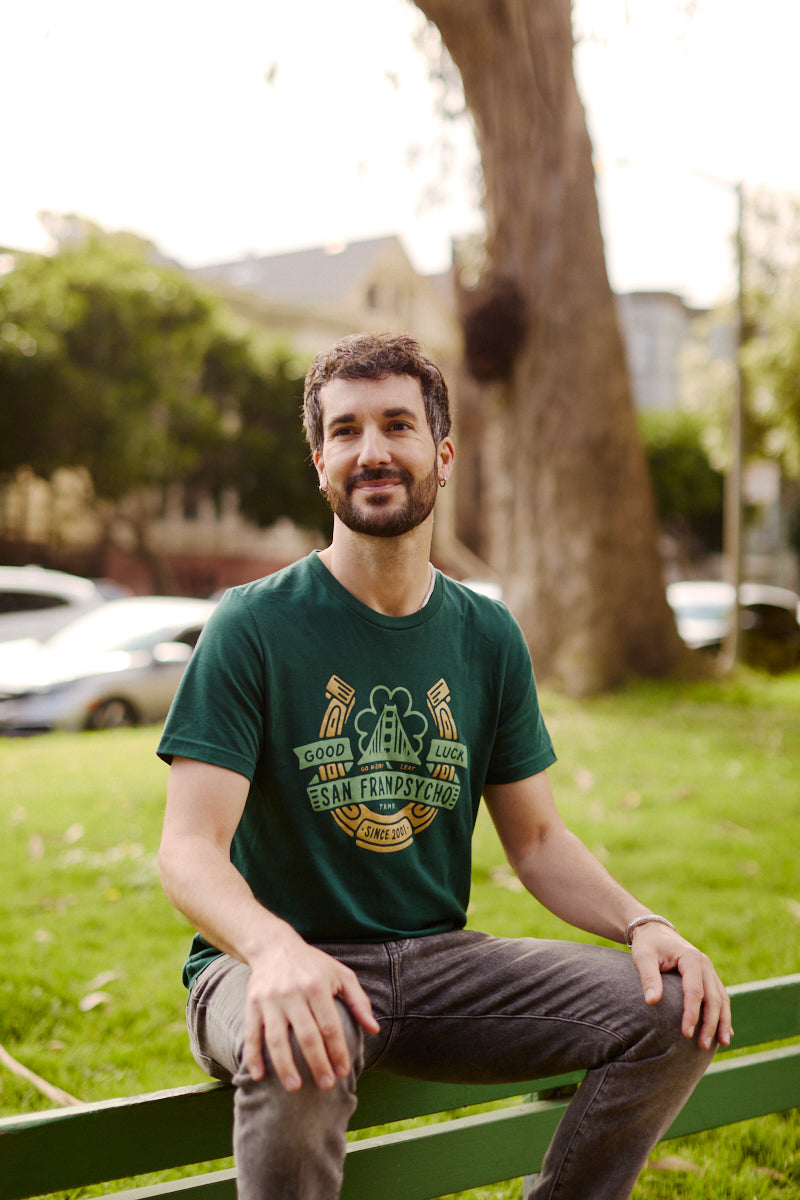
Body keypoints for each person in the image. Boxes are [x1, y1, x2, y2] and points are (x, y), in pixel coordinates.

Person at [157, 331, 731, 1200]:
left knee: (672, 1015)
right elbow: (189, 848)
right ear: (320, 463)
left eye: (397, 424)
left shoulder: (485, 634)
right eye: (346, 431)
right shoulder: (254, 625)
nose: (373, 450)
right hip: (263, 963)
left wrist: (642, 923)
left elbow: (535, 839)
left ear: (444, 454)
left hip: (435, 964)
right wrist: (274, 951)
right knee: (297, 1042)